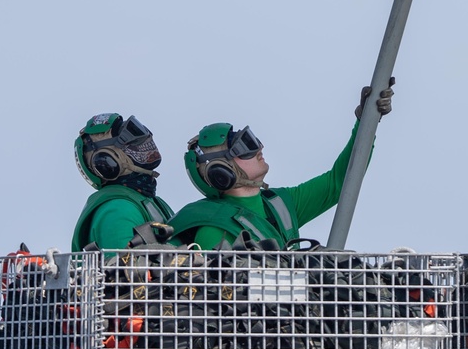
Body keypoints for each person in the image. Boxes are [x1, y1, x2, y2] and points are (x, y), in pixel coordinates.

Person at [169, 84, 394, 249]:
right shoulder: (212, 227)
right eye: (244, 147)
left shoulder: (281, 205)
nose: (259, 148)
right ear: (221, 174)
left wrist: (365, 124)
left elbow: (340, 182)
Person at [71, 112, 175, 251]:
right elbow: (126, 268)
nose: (142, 147)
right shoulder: (117, 209)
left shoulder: (152, 202)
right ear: (108, 162)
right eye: (130, 145)